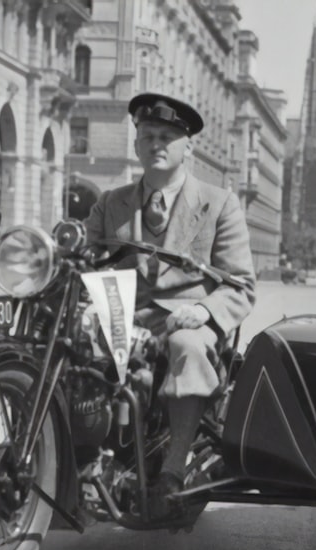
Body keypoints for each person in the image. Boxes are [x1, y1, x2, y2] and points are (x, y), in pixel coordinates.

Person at [83, 92, 256, 518]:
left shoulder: (219, 203)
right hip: (123, 316)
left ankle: (173, 472)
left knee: (186, 346)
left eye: (167, 136)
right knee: (71, 349)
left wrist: (204, 311)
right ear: (136, 144)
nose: (156, 144)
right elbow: (84, 259)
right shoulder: (111, 202)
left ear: (187, 147)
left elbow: (242, 285)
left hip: (189, 319)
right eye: (147, 136)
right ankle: (79, 464)